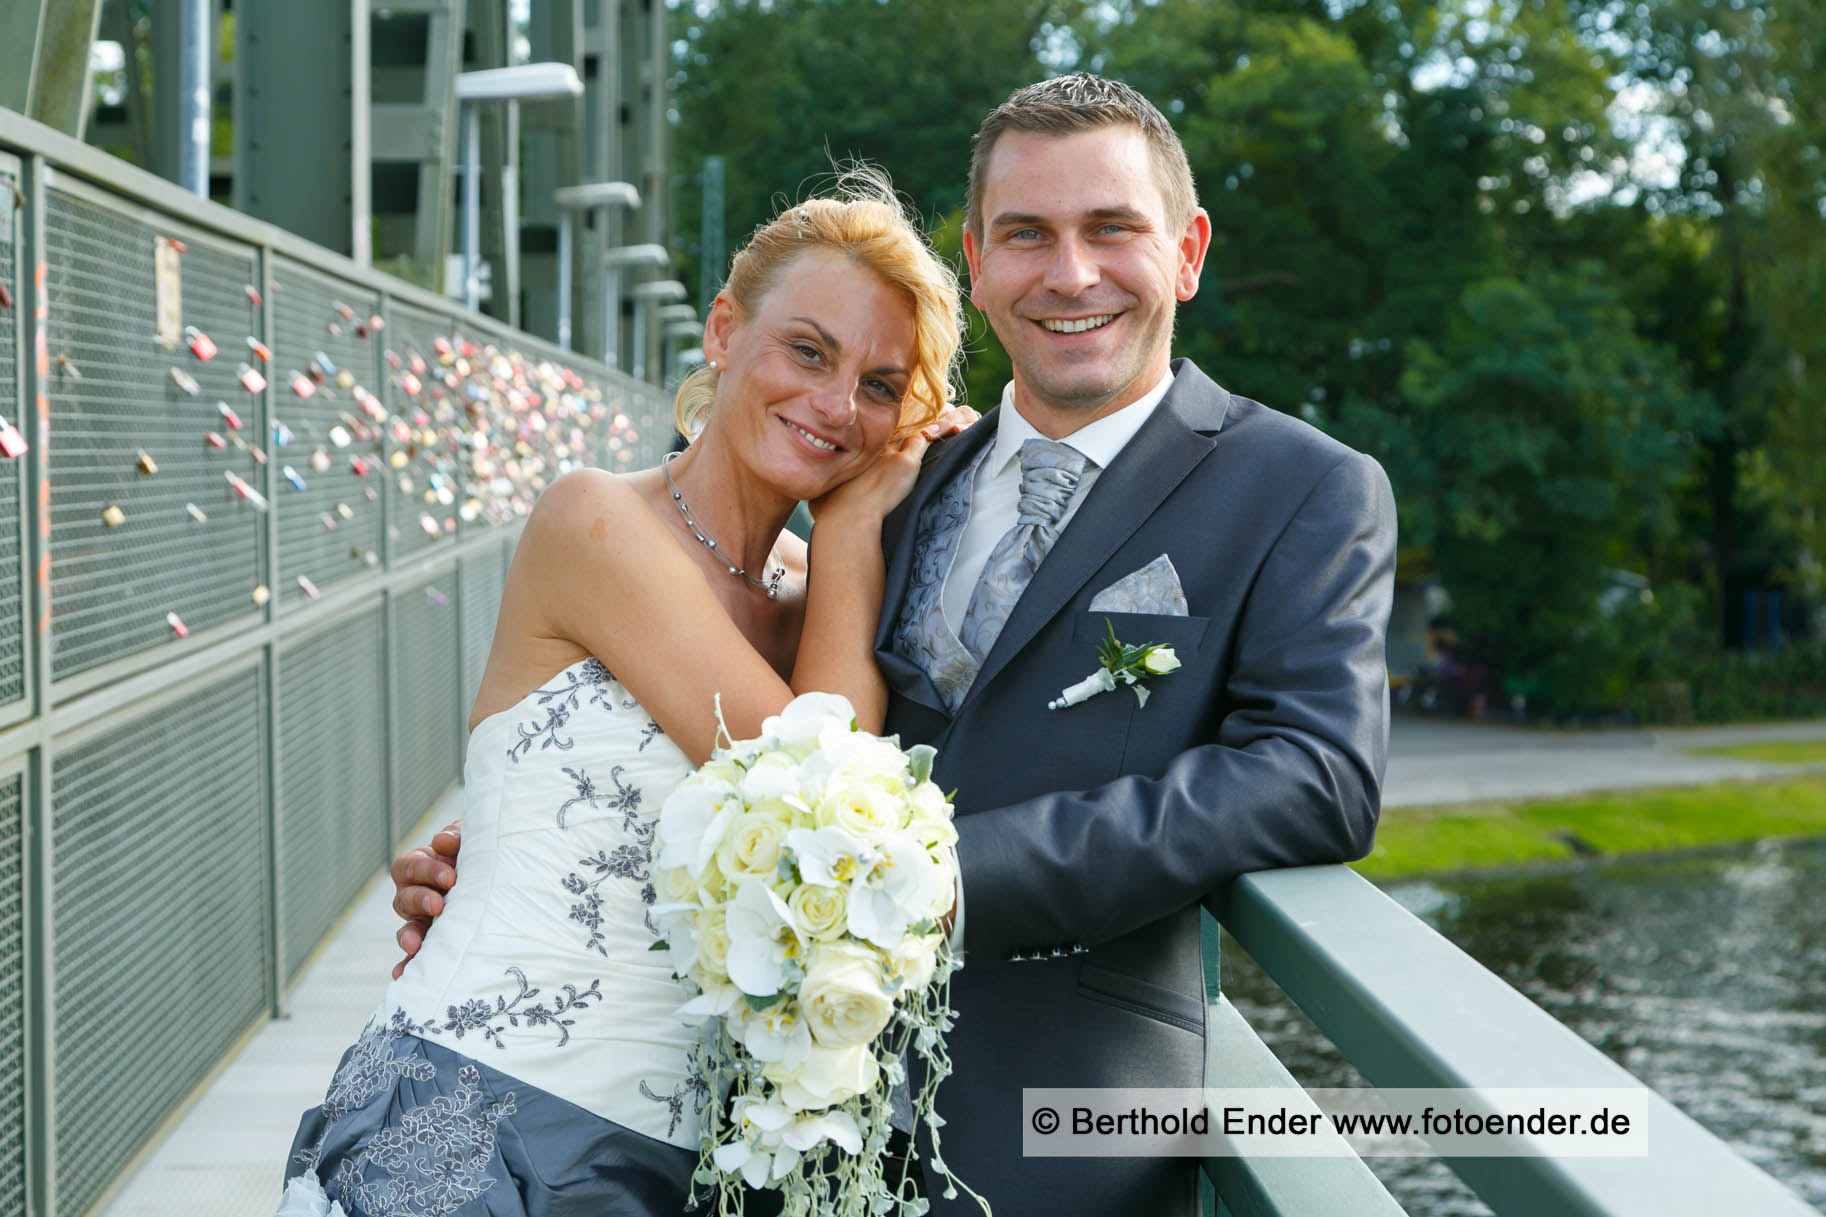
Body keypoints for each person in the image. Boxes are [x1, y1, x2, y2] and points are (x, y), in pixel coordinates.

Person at [395, 74, 1397, 1216]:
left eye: (1110, 228)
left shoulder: (1300, 487)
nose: (1069, 273)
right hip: (746, 1146)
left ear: (1186, 250)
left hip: (1058, 1142)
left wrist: (938, 883)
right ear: (977, 258)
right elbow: (748, 747)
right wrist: (530, 846)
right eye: (1026, 234)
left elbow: (1315, 776)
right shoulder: (884, 494)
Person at [277, 175, 968, 1217]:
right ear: (724, 331)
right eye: (809, 351)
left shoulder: (811, 601)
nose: (835, 405)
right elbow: (813, 814)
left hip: (693, 1172)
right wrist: (862, 525)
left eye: (880, 385)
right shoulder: (593, 521)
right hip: (475, 1120)